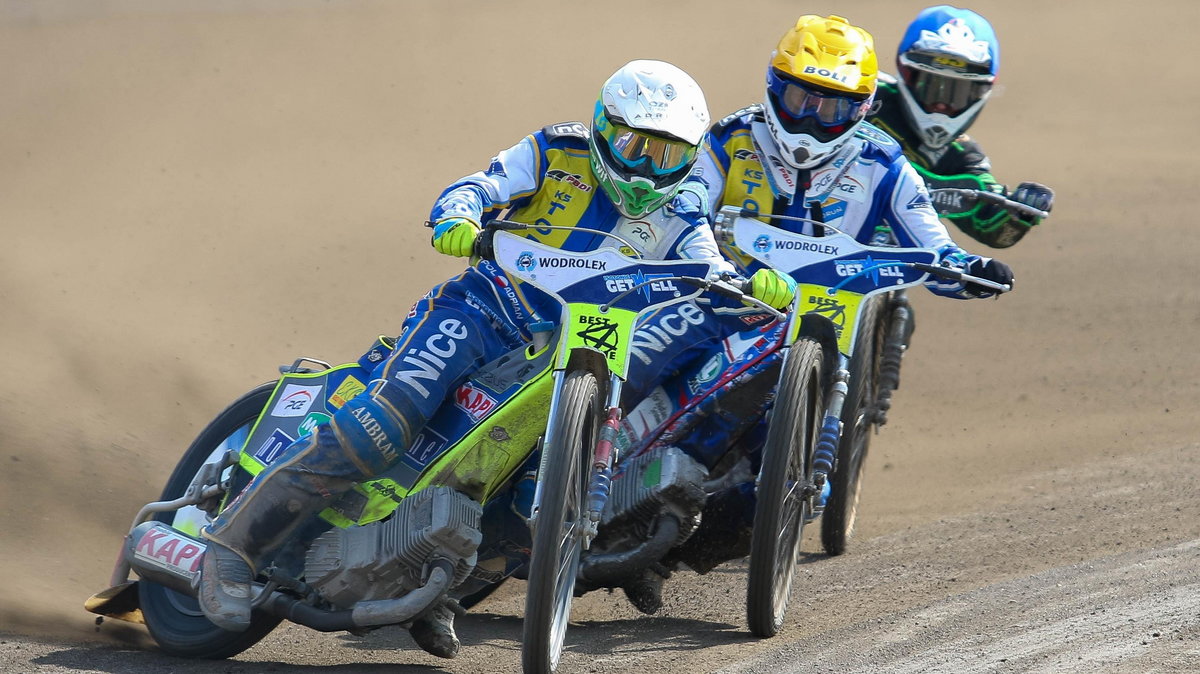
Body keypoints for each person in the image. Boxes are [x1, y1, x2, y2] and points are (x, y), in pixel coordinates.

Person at [194, 59, 794, 659]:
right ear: (604, 126)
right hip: (484, 312)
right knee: (383, 426)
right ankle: (231, 547)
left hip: (580, 343)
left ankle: (438, 589)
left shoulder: (681, 210)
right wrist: (458, 215)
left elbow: (708, 263)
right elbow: (481, 186)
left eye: (665, 156)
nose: (644, 169)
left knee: (529, 491)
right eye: (633, 145)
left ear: (688, 160)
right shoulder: (557, 150)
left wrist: (755, 283)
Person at [618, 13, 1015, 605]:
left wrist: (967, 270)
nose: (810, 119)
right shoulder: (732, 137)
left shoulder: (885, 164)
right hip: (714, 300)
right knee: (633, 364)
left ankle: (656, 557)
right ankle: (546, 465)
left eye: (831, 108)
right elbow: (683, 203)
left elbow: (933, 244)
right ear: (776, 84)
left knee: (778, 484)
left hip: (817, 327)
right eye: (800, 96)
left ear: (861, 108)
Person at [867, 5, 1054, 248]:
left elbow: (991, 228)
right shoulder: (865, 96)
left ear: (982, 92)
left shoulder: (962, 158)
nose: (942, 104)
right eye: (933, 86)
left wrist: (1021, 213)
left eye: (959, 92)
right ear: (908, 74)